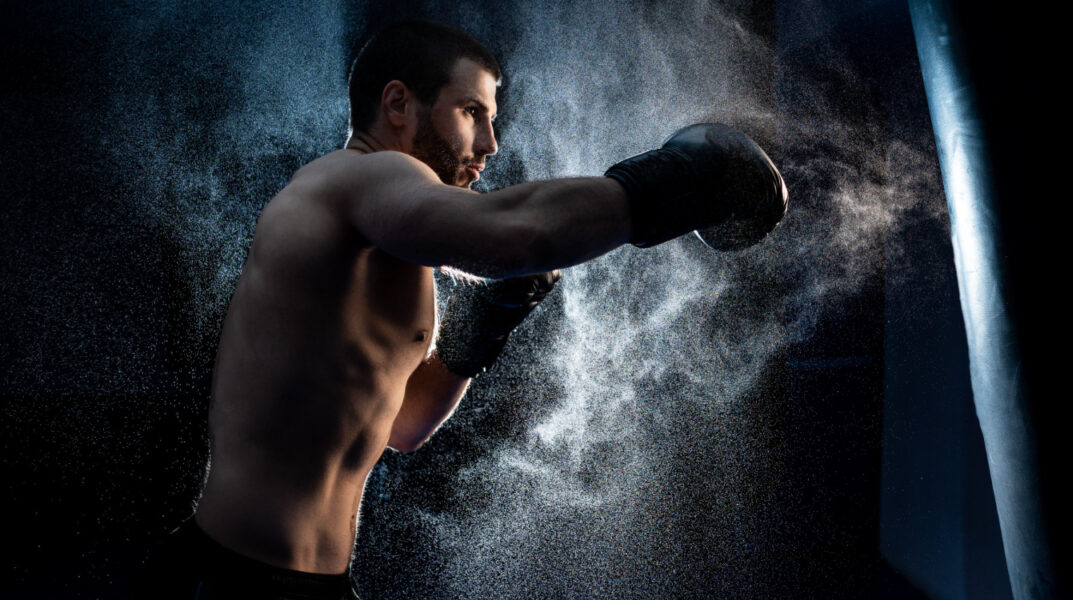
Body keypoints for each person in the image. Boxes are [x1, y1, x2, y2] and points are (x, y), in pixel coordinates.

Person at [138, 19, 786, 600]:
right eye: (472, 111)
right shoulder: (354, 178)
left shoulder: (384, 240)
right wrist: (681, 181)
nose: (491, 142)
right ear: (398, 105)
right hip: (231, 580)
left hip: (306, 581)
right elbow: (514, 234)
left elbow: (401, 426)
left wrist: (479, 329)